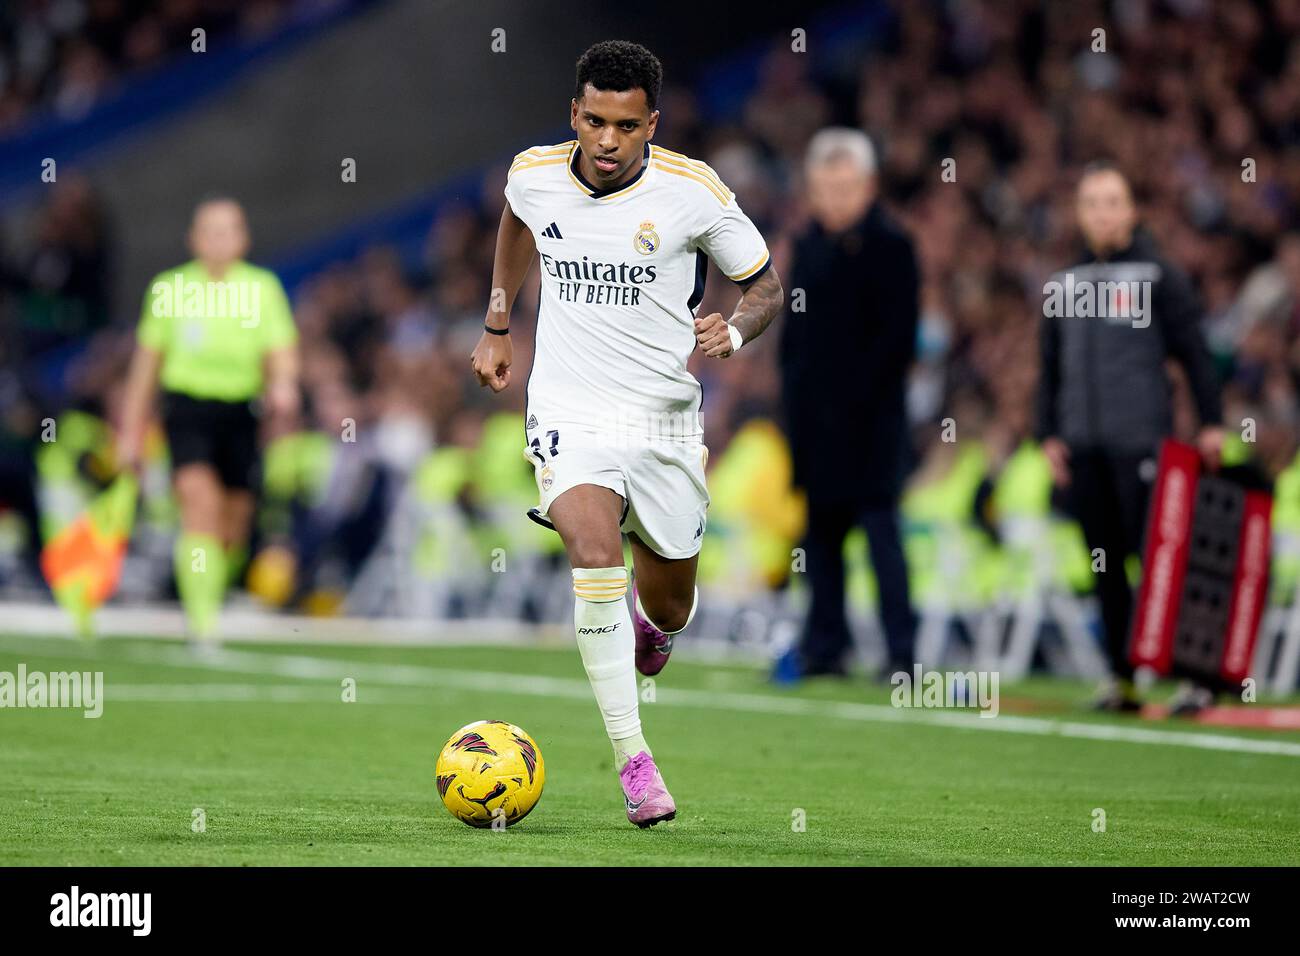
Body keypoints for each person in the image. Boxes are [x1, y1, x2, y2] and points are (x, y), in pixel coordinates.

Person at [470, 40, 783, 827]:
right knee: (592, 550)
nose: (607, 142)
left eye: (626, 126)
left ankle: (653, 627)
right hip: (570, 411)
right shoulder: (534, 173)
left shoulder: (695, 193)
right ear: (574, 114)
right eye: (594, 122)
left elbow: (765, 287)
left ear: (652, 124)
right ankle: (634, 761)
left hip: (664, 422)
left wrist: (735, 336)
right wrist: (499, 321)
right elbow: (516, 222)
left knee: (672, 601)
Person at [1036, 162, 1224, 713]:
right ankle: (1124, 678)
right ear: (1079, 212)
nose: (1102, 212)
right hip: (1084, 446)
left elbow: (1195, 354)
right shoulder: (1062, 284)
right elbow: (1049, 369)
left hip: (1142, 443)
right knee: (1104, 563)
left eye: (1112, 201)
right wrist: (1048, 433)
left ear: (1132, 210)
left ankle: (1195, 676)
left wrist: (1211, 422)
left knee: (1162, 561)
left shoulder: (1159, 276)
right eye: (1092, 202)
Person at [118, 197, 300, 645]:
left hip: (241, 413)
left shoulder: (262, 288)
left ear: (244, 238)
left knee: (233, 524)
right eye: (210, 230)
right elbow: (145, 368)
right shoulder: (168, 288)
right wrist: (130, 433)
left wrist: (283, 385)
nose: (219, 239)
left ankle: (209, 594)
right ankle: (203, 625)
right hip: (186, 410)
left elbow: (281, 352)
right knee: (198, 503)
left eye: (229, 230)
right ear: (193, 239)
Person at [778, 128, 919, 681]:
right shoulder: (806, 245)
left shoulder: (892, 245)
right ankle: (825, 649)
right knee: (821, 545)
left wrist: (853, 403)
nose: (835, 198)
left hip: (872, 427)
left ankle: (902, 655)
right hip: (816, 428)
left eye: (845, 186)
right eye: (825, 186)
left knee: (884, 541)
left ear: (869, 186)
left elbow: (897, 342)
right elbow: (795, 341)